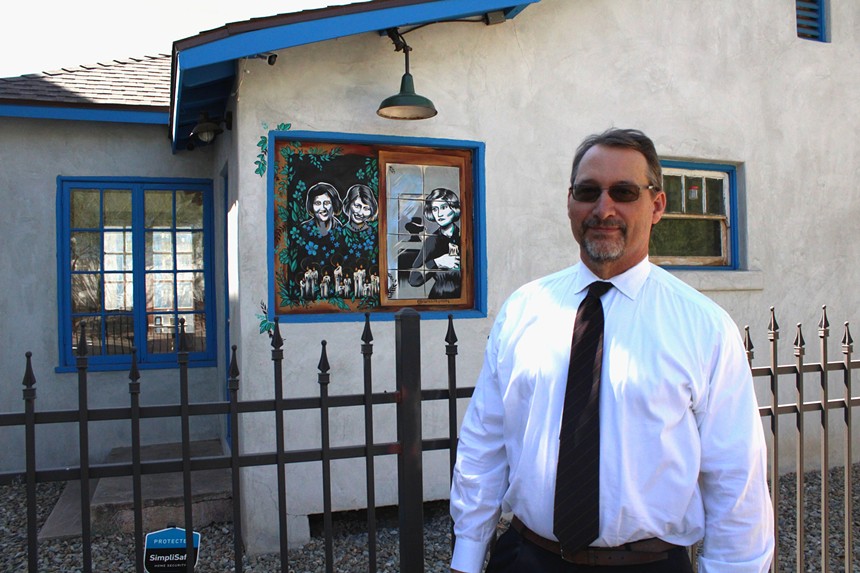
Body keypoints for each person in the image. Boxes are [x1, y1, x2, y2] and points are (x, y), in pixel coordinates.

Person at [450, 128, 773, 573]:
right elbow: (484, 444)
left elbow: (736, 477)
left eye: (624, 192)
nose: (604, 209)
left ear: (656, 205)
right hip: (527, 559)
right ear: (570, 202)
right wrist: (467, 557)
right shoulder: (524, 310)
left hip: (648, 564)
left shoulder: (703, 327)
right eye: (588, 192)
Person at [408, 187, 462, 299]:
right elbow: (413, 279)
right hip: (438, 298)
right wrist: (437, 262)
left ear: (454, 209)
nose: (439, 214)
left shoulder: (465, 237)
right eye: (435, 209)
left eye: (444, 207)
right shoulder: (432, 241)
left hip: (465, 299)